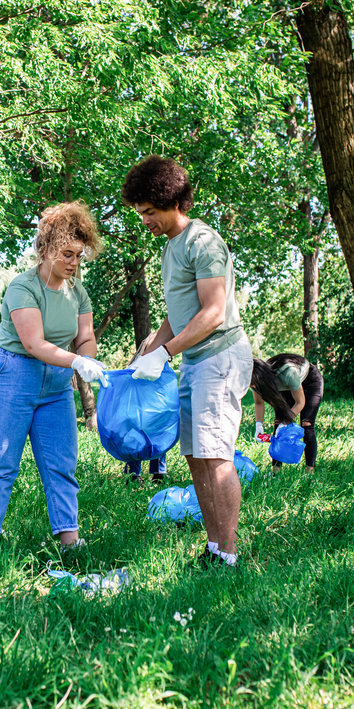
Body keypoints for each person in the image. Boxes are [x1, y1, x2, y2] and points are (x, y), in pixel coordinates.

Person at [122, 155, 253, 568]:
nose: (145, 220)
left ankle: (229, 555)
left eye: (150, 212)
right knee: (196, 457)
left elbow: (213, 311)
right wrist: (152, 343)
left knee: (216, 458)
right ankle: (213, 547)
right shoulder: (170, 247)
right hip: (195, 362)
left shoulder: (203, 242)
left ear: (172, 201)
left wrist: (166, 352)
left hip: (220, 357)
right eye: (140, 213)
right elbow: (180, 310)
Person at [0, 201, 107, 564]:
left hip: (56, 384)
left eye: (79, 256)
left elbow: (84, 337)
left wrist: (88, 357)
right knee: (1, 463)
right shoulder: (23, 287)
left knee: (61, 463)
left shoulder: (77, 292)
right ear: (46, 249)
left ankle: (69, 541)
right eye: (67, 254)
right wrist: (77, 360)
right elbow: (34, 344)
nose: (73, 263)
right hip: (13, 374)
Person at [251, 353, 324, 474]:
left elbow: (300, 402)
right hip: (286, 388)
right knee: (278, 424)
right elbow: (259, 403)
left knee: (307, 423)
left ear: (261, 377)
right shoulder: (254, 380)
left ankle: (309, 471)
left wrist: (286, 421)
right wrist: (259, 425)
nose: (251, 386)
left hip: (310, 382)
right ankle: (276, 472)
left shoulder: (287, 373)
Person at [123, 332, 168, 485]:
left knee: (145, 440)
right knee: (149, 440)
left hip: (144, 411)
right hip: (144, 411)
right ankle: (149, 474)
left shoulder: (139, 364)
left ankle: (144, 474)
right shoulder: (149, 365)